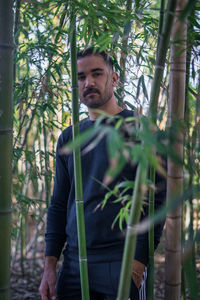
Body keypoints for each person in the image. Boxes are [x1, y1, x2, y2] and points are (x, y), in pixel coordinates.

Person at [39, 47, 165, 300]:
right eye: (81, 77)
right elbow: (59, 204)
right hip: (74, 261)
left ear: (114, 78)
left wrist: (139, 258)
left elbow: (157, 199)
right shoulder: (69, 137)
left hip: (123, 259)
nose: (89, 82)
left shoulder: (140, 129)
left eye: (97, 74)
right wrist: (50, 265)